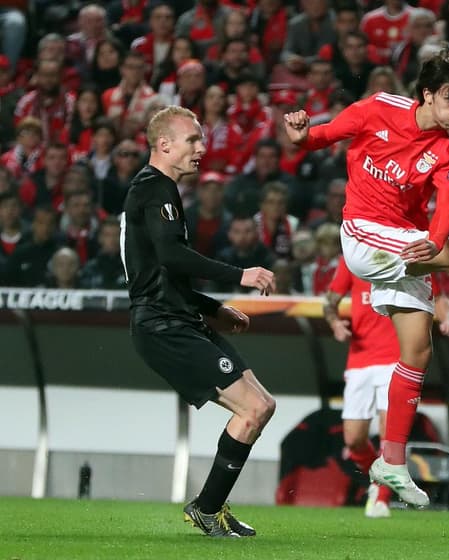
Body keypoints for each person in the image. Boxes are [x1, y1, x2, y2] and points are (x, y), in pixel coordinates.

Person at [283, 47, 449, 508]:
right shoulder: (376, 109)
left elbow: (446, 209)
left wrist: (432, 242)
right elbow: (322, 136)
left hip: (408, 242)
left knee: (418, 351)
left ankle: (391, 461)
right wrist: (299, 137)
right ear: (427, 94)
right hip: (363, 235)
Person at [122, 105, 276, 537]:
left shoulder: (158, 190)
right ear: (164, 144)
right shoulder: (155, 189)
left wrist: (213, 309)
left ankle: (209, 508)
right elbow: (172, 257)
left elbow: (163, 270)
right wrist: (240, 276)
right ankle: (207, 509)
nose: (201, 148)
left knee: (261, 406)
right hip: (162, 324)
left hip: (179, 316)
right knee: (253, 407)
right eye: (192, 140)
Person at [324, 255, 449, 518]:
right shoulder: (354, 257)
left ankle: (381, 501)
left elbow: (437, 295)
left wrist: (447, 319)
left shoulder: (410, 256)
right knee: (353, 440)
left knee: (389, 432)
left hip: (396, 359)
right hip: (360, 359)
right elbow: (330, 301)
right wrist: (335, 323)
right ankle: (378, 482)